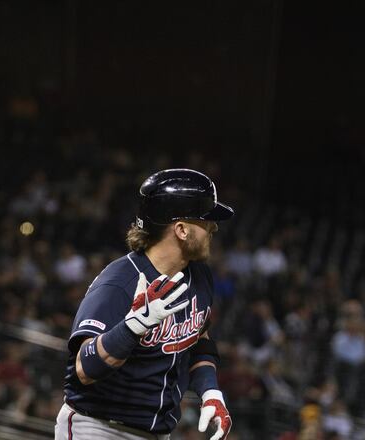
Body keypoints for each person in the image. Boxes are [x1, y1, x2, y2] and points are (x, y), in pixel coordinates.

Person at [56, 169, 234, 440]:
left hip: (156, 433)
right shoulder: (120, 282)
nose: (214, 227)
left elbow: (200, 339)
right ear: (182, 230)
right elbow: (84, 369)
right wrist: (134, 326)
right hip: (98, 428)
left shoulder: (199, 275)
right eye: (205, 220)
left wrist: (210, 391)